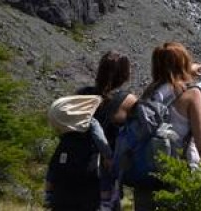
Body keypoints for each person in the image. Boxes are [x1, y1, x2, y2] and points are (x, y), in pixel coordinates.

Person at [45, 51, 137, 211]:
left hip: (67, 173)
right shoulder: (127, 101)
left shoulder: (81, 95)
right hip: (100, 179)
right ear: (125, 74)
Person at [133, 42, 201, 211]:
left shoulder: (149, 94)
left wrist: (188, 70)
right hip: (178, 178)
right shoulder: (191, 94)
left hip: (146, 179)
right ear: (183, 64)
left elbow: (171, 79)